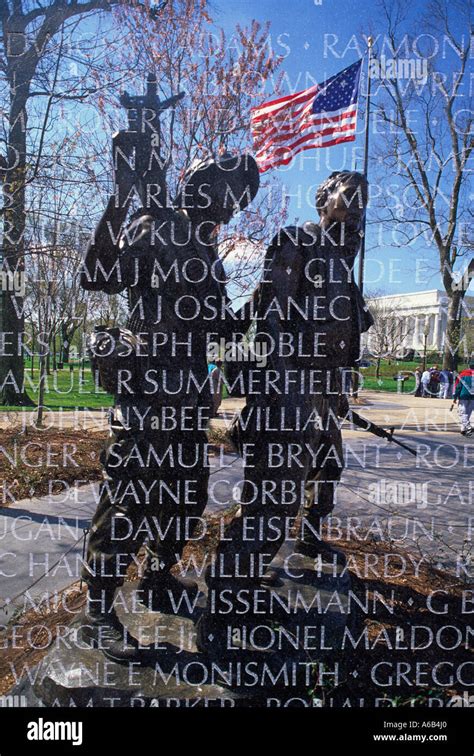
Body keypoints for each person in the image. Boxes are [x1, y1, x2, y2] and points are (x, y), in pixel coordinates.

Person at [80, 128, 259, 662]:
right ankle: (96, 612)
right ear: (200, 186)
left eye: (234, 204)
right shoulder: (153, 225)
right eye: (225, 196)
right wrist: (118, 194)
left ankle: (157, 579)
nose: (228, 211)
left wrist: (265, 301)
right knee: (129, 500)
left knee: (185, 498)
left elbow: (220, 327)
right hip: (146, 394)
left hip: (187, 398)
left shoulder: (207, 251)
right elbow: (98, 275)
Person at [197, 170, 374, 649]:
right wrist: (280, 385)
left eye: (364, 200)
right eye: (349, 196)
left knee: (312, 482)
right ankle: (225, 601)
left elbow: (345, 335)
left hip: (321, 392)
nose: (357, 206)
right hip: (288, 389)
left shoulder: (342, 258)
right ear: (324, 198)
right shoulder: (296, 240)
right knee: (271, 505)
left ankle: (245, 586)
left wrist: (336, 390)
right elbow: (270, 315)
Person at [453, 360, 474, 436]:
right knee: (468, 413)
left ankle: (468, 426)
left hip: (464, 395)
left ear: (469, 366)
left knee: (462, 413)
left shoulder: (463, 374)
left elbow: (458, 387)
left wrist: (455, 397)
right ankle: (463, 429)